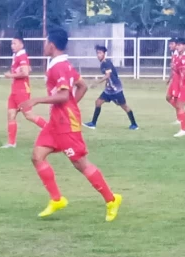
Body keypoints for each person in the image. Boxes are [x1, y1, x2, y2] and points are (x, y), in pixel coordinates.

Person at [20, 29, 123, 222]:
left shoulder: (59, 67)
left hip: (66, 123)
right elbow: (81, 85)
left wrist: (36, 100)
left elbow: (64, 95)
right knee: (37, 156)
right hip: (56, 122)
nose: (43, 46)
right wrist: (71, 104)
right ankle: (56, 199)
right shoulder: (61, 64)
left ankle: (111, 200)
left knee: (80, 164)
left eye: (45, 42)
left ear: (52, 45)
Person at [2, 34, 48, 148]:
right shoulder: (17, 55)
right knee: (11, 115)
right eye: (11, 43)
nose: (12, 45)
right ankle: (11, 143)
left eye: (14, 43)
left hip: (22, 90)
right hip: (14, 91)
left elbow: (25, 72)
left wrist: (10, 75)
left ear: (21, 45)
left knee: (29, 115)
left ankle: (50, 130)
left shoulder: (21, 56)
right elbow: (28, 69)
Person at [83, 45, 138, 130]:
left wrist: (96, 83)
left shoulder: (106, 63)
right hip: (109, 90)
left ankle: (134, 125)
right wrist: (106, 85)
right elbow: (109, 77)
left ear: (104, 54)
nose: (98, 55)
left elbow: (108, 75)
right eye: (97, 53)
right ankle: (93, 124)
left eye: (100, 53)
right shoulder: (103, 64)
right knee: (98, 102)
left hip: (116, 90)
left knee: (124, 106)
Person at [166, 37, 181, 124]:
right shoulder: (174, 54)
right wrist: (169, 78)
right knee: (168, 98)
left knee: (176, 99)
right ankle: (181, 112)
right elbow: (173, 68)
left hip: (178, 79)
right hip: (174, 79)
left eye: (171, 44)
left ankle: (180, 117)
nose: (169, 46)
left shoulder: (179, 54)